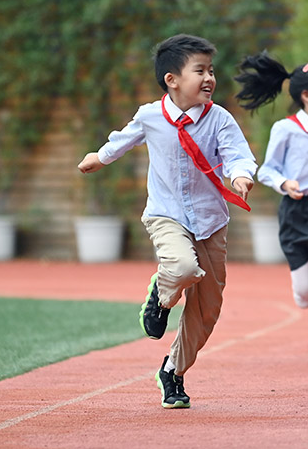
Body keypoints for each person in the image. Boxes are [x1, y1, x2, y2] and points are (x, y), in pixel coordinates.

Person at [77, 34, 257, 408]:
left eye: (211, 71)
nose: (209, 78)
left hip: (210, 222)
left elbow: (237, 153)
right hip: (166, 214)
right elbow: (124, 139)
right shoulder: (151, 116)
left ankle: (173, 371)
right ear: (172, 79)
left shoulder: (218, 119)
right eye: (199, 71)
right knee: (181, 266)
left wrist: (240, 175)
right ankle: (160, 297)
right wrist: (100, 157)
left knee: (207, 310)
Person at [233, 51, 308, 366]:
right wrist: (284, 183)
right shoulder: (285, 129)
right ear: (307, 96)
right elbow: (267, 170)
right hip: (296, 209)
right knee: (304, 293)